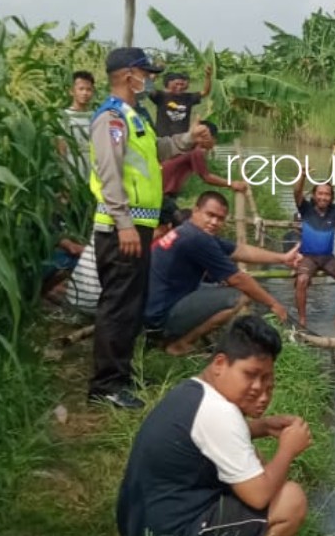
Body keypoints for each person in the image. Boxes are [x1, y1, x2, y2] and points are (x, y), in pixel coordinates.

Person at [88, 46, 212, 410]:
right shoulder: (111, 118)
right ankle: (106, 386)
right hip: (120, 229)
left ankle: (120, 376)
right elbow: (109, 174)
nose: (151, 79)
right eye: (146, 73)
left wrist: (188, 139)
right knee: (118, 305)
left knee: (130, 303)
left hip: (137, 226)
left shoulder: (134, 116)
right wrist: (124, 223)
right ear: (129, 75)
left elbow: (157, 150)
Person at [116, 315, 312, 536]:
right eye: (250, 374)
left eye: (265, 378)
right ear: (220, 363)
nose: (258, 387)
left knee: (249, 458)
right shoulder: (219, 412)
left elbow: (201, 440)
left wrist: (263, 427)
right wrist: (288, 449)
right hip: (169, 527)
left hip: (142, 518)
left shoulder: (195, 390)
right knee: (290, 500)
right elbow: (259, 496)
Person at [145, 191, 303, 356]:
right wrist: (273, 304)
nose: (214, 222)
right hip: (159, 316)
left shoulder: (188, 231)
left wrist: (282, 258)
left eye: (220, 219)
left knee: (214, 287)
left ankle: (171, 337)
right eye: (210, 215)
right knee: (237, 297)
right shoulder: (197, 238)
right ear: (196, 210)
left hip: (154, 306)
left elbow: (239, 250)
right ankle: (178, 344)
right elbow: (237, 278)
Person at [158, 119, 248, 237]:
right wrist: (232, 184)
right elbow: (206, 176)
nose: (214, 142)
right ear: (206, 137)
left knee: (167, 226)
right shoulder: (196, 151)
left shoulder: (186, 148)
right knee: (178, 226)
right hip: (163, 194)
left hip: (162, 193)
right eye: (214, 138)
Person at [292, 167, 335, 326]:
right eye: (320, 193)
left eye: (327, 194)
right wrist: (302, 176)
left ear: (331, 197)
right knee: (301, 280)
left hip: (328, 257)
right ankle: (302, 318)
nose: (323, 197)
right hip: (308, 257)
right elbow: (297, 193)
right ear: (314, 195)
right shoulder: (306, 208)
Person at [149, 65, 212, 136]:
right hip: (163, 138)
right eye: (176, 84)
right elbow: (149, 90)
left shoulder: (188, 97)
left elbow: (205, 92)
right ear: (168, 84)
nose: (179, 87)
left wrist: (208, 76)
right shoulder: (161, 96)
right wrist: (153, 76)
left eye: (182, 84)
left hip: (182, 138)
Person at [57, 70, 96, 181]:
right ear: (72, 91)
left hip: (93, 171)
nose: (85, 93)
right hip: (73, 171)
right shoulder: (64, 117)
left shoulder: (95, 117)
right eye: (81, 89)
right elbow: (61, 151)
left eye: (88, 90)